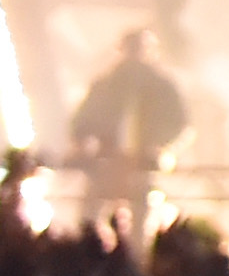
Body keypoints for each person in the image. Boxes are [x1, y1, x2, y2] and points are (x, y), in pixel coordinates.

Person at [62, 28, 187, 233]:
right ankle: (92, 255)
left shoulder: (161, 88)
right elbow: (82, 121)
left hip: (143, 162)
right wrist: (84, 141)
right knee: (91, 219)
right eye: (132, 49)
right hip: (107, 160)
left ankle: (134, 259)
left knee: (139, 220)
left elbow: (180, 123)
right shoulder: (105, 85)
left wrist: (160, 146)